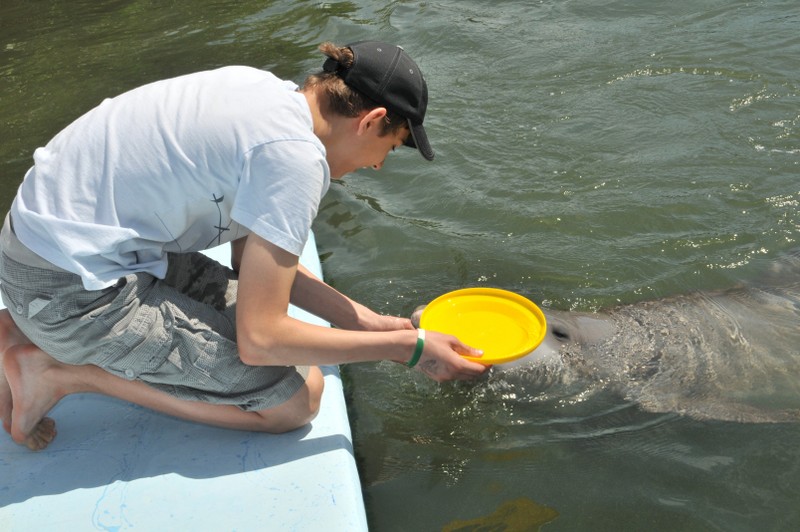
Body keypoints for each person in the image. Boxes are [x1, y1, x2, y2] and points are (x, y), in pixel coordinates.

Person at [0, 41, 489, 451]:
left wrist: (365, 321)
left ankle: (27, 327)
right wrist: (405, 347)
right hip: (70, 294)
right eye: (393, 145)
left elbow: (245, 257)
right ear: (371, 120)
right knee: (296, 402)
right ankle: (57, 370)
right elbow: (261, 340)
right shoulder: (295, 162)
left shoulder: (262, 91)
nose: (380, 165)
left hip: (48, 252)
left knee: (298, 358)